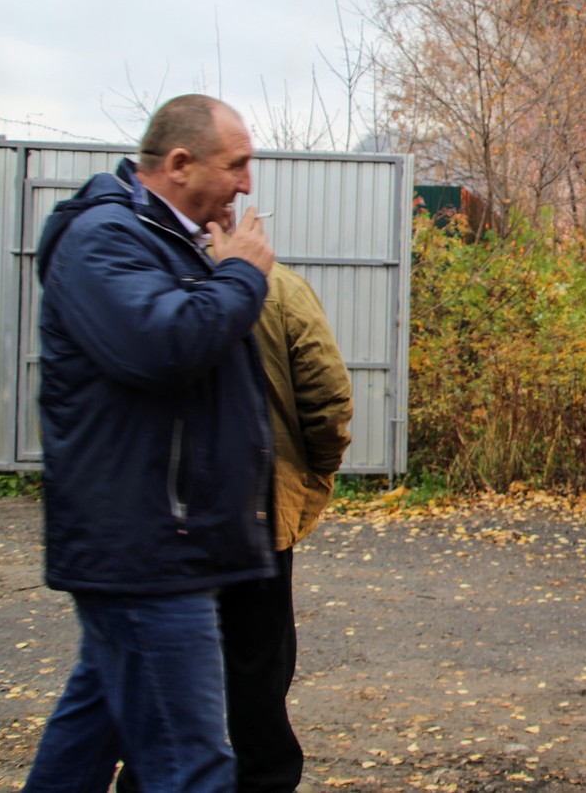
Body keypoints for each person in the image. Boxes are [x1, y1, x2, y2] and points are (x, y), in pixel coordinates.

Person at [23, 95, 275, 793]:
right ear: (179, 164)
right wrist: (242, 275)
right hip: (145, 551)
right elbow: (165, 346)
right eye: (238, 165)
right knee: (193, 767)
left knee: (84, 744)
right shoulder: (104, 240)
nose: (248, 183)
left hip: (156, 545)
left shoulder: (165, 241)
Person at [215, 208, 354, 793]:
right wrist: (315, 473)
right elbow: (328, 396)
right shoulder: (283, 289)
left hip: (170, 520)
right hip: (260, 511)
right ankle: (263, 778)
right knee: (260, 660)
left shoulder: (156, 284)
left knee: (164, 663)